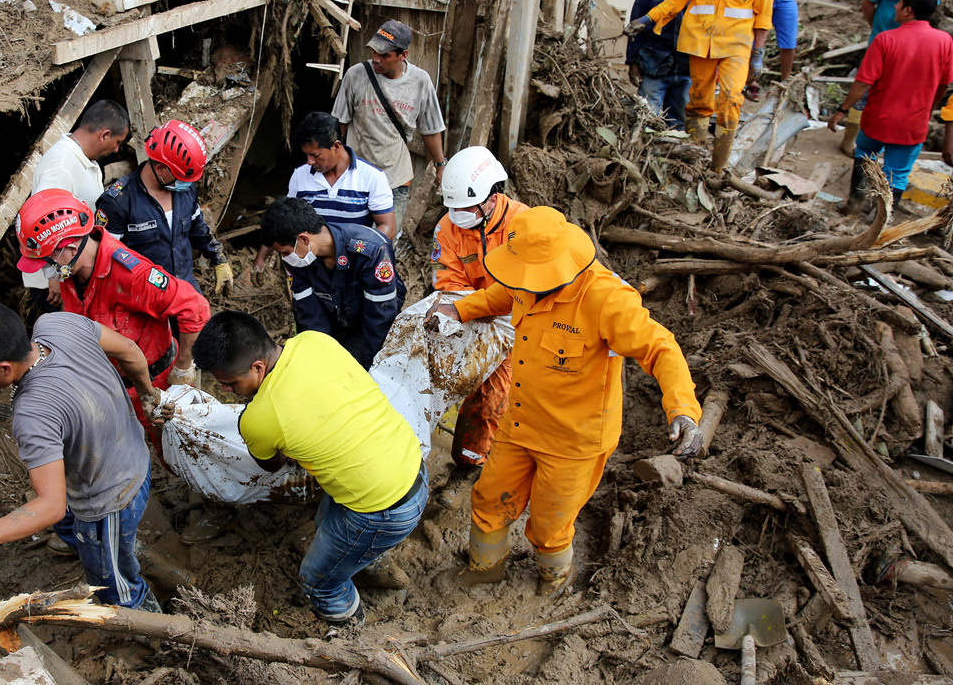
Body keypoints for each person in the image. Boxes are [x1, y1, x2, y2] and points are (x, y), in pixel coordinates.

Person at [426, 207, 703, 597]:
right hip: (519, 422)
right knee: (489, 499)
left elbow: (661, 348)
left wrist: (683, 411)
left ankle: (554, 580)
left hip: (574, 441)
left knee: (548, 524)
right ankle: (484, 570)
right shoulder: (525, 280)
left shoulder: (606, 299)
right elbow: (500, 295)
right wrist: (459, 308)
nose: (524, 283)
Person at [191, 310, 427, 632]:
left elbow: (272, 465)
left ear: (257, 368)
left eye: (231, 383)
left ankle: (353, 635)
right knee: (324, 519)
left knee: (317, 582)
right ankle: (369, 560)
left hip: (381, 511)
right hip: (411, 465)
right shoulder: (314, 341)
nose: (227, 392)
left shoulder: (258, 419)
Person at [0, 300, 161, 613]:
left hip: (110, 500)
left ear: (5, 368)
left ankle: (147, 630)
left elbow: (50, 506)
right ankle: (88, 544)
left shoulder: (33, 413)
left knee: (114, 586)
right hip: (132, 453)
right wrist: (146, 393)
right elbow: (129, 348)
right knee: (70, 525)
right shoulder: (58, 324)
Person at [15, 190, 210, 439]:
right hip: (112, 387)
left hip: (156, 385)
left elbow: (194, 307)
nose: (43, 270)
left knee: (176, 449)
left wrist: (182, 370)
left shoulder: (131, 275)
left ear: (69, 248)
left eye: (44, 262)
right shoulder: (71, 272)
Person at [625, 0, 778, 173]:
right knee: (699, 101)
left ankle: (717, 169)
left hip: (736, 43)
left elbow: (763, 13)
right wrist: (648, 19)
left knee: (730, 100)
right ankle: (695, 163)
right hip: (700, 42)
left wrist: (758, 53)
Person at [429, 146, 528, 510]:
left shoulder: (525, 225)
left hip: (520, 322)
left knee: (493, 400)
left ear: (491, 196)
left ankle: (476, 465)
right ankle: (467, 456)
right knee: (457, 387)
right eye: (453, 208)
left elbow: (530, 285)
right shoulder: (448, 228)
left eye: (467, 208)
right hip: (472, 317)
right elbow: (449, 281)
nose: (459, 216)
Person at [826, 0, 953, 215]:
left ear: (907, 10)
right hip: (913, 124)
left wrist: (842, 109)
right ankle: (879, 221)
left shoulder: (885, 39)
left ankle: (853, 205)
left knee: (865, 156)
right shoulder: (945, 41)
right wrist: (929, 108)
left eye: (898, 2)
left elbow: (863, 82)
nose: (894, 6)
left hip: (879, 119)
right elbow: (944, 84)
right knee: (898, 173)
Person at [262, 197, 404, 369]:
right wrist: (323, 354)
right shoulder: (299, 258)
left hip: (368, 322)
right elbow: (309, 312)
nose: (284, 258)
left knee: (356, 365)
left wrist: (369, 364)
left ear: (304, 239)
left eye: (285, 252)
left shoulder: (372, 249)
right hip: (333, 317)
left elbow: (380, 318)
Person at [95, 120, 233, 297]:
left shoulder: (184, 189)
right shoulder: (117, 203)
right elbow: (106, 263)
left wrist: (218, 258)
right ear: (161, 169)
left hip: (185, 289)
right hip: (144, 299)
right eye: (181, 177)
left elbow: (197, 227)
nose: (187, 183)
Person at [332, 20, 447, 224]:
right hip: (357, 176)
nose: (376, 59)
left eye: (384, 55)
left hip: (395, 180)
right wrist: (332, 162)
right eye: (374, 52)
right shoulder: (356, 75)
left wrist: (440, 165)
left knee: (386, 244)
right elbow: (338, 124)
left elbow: (431, 129)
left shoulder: (420, 81)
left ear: (403, 55)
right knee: (353, 240)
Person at [842, 0, 946, 154]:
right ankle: (851, 139)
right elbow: (868, 3)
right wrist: (877, 29)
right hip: (884, 45)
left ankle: (885, 143)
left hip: (915, 50)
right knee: (866, 90)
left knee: (900, 95)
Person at [23, 100, 131, 312]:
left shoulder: (84, 161)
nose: (117, 149)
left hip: (70, 270)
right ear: (104, 135)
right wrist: (54, 277)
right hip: (57, 278)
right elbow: (44, 223)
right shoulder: (61, 166)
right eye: (118, 141)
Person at [252, 112, 395, 272]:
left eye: (315, 155)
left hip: (354, 267)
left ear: (335, 146)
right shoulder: (300, 176)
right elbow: (282, 221)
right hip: (312, 268)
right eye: (306, 155)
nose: (309, 161)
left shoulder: (372, 177)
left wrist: (357, 252)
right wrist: (261, 257)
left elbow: (387, 226)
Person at [626, 0, 697, 129]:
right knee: (645, 120)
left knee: (679, 124)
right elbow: (635, 26)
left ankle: (670, 157)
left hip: (688, 68)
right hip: (654, 66)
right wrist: (632, 63)